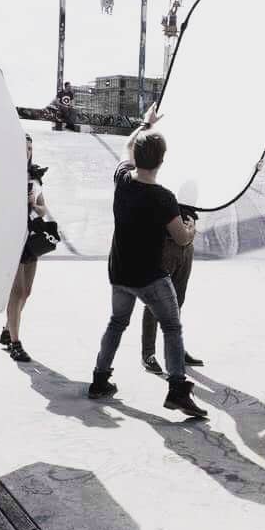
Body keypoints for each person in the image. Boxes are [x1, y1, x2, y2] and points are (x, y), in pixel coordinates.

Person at [88, 103, 206, 417]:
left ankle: (100, 380)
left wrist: (146, 124)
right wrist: (192, 227)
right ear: (162, 161)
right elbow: (181, 239)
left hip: (120, 272)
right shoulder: (164, 197)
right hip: (150, 277)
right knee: (172, 326)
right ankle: (177, 390)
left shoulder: (122, 179)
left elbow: (128, 145)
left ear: (137, 158)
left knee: (116, 323)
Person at [0, 134, 53, 362]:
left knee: (27, 292)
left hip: (32, 238)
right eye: (23, 148)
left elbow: (44, 209)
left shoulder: (35, 176)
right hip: (13, 238)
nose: (28, 152)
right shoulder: (7, 176)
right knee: (18, 291)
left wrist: (33, 203)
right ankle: (15, 343)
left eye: (30, 148)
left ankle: (7, 329)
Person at [140, 204, 203, 375]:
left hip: (186, 245)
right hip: (165, 246)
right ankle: (148, 354)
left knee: (177, 302)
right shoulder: (161, 185)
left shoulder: (193, 186)